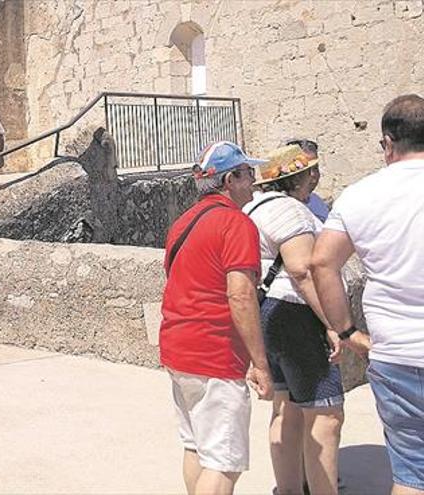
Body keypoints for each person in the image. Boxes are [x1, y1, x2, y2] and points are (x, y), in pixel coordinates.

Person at [312, 94, 424, 495]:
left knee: (412, 475)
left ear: (388, 143)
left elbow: (322, 263)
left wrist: (346, 332)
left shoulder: (359, 195)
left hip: (395, 355)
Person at [160, 141, 273, 495]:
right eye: (247, 173)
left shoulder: (182, 222)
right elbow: (240, 295)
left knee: (196, 447)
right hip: (216, 354)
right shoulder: (236, 224)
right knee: (223, 463)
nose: (253, 180)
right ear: (229, 180)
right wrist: (260, 363)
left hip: (179, 348)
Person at [243, 145, 344, 495]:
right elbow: (302, 271)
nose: (315, 175)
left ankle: (287, 490)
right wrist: (333, 322)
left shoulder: (253, 208)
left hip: (267, 313)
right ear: (299, 177)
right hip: (296, 315)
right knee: (325, 414)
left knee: (285, 407)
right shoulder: (290, 211)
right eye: (311, 170)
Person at [282, 138, 329, 221]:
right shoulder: (283, 207)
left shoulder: (318, 202)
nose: (313, 175)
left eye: (315, 168)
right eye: (305, 169)